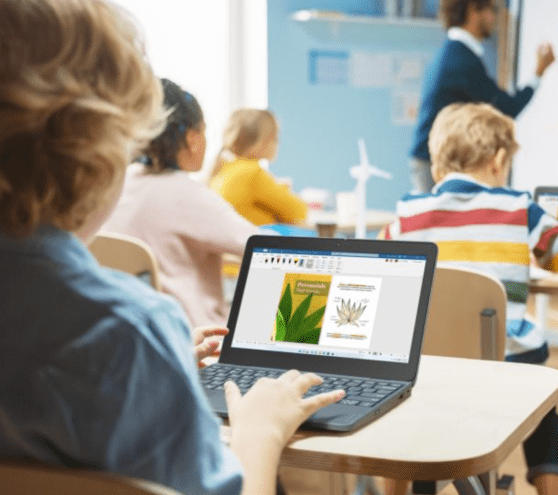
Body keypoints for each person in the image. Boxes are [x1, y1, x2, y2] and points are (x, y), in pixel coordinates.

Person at [0, 2, 344, 495]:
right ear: (98, 155)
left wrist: (160, 368)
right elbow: (266, 249)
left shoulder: (127, 340)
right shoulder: (124, 334)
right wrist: (261, 431)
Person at [381, 103, 558, 495]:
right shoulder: (520, 209)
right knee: (543, 411)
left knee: (414, 417)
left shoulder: (405, 216)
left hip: (432, 370)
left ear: (437, 170)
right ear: (498, 160)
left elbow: (385, 281)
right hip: (507, 367)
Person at [102, 79, 260, 328]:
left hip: (128, 336)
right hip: (196, 340)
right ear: (193, 138)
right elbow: (270, 249)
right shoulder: (188, 194)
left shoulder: (113, 187)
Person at [408, 0, 555, 193]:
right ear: (473, 11)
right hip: (436, 163)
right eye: (492, 10)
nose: (495, 18)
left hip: (434, 161)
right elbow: (506, 109)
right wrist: (538, 72)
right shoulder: (462, 60)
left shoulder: (453, 52)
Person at [210, 109, 308, 226]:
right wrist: (284, 189)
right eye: (275, 138)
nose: (278, 143)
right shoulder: (253, 174)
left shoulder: (224, 169)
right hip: (251, 242)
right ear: (263, 142)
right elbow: (299, 211)